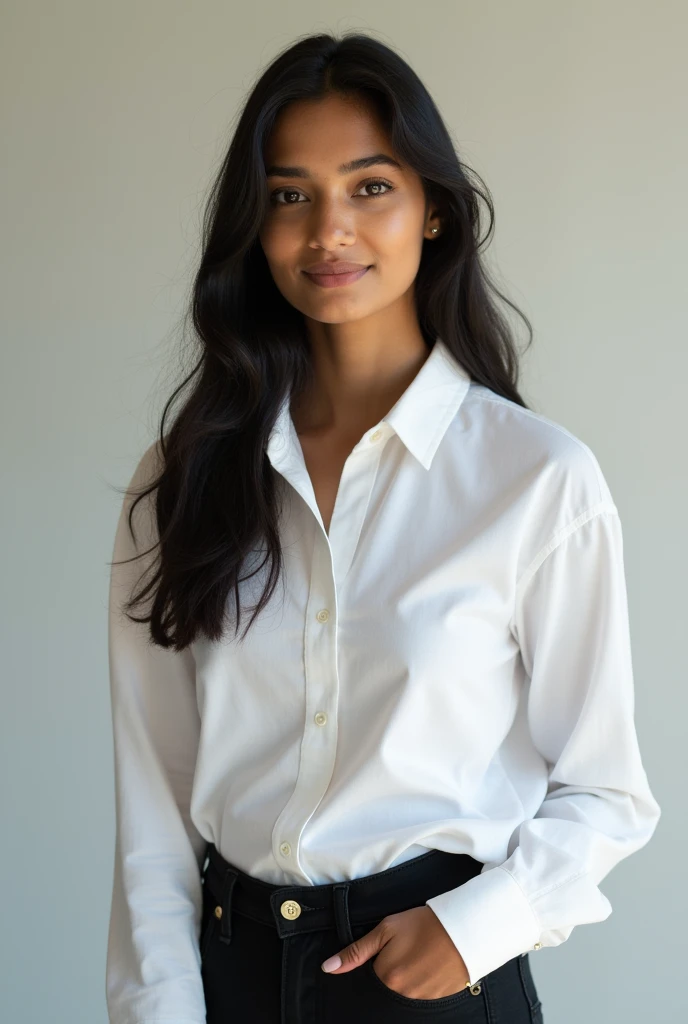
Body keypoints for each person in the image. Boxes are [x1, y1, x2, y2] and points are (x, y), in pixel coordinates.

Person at [104, 31, 661, 1024]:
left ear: (433, 209)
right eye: (289, 195)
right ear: (254, 224)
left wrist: (478, 925)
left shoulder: (535, 480)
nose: (329, 232)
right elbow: (154, 800)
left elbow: (607, 792)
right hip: (224, 972)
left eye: (369, 188)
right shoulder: (183, 479)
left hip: (435, 971)